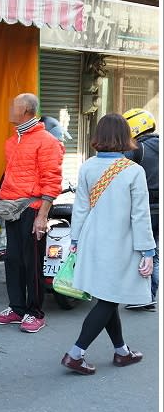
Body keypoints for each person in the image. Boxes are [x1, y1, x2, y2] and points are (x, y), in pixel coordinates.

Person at [60, 113, 155, 376]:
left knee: (107, 296)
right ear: (126, 137)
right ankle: (75, 353)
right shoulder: (134, 171)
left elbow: (80, 208)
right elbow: (140, 215)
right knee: (110, 297)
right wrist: (147, 250)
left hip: (91, 239)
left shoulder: (87, 166)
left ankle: (121, 351)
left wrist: (76, 239)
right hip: (120, 243)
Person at [0, 93, 64, 333]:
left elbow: (52, 181)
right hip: (12, 209)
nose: (10, 110)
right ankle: (17, 308)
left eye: (14, 106)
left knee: (32, 262)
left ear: (26, 111)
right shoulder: (12, 141)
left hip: (32, 210)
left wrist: (42, 215)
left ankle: (35, 312)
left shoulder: (47, 141)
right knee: (12, 259)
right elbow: (10, 177)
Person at [123, 108, 159, 311]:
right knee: (155, 253)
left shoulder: (137, 149)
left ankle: (142, 296)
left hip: (144, 210)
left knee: (141, 252)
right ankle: (149, 294)